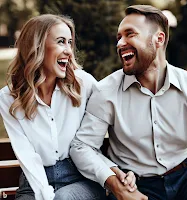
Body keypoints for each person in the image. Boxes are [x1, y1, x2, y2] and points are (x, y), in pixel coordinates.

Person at [70, 4, 187, 200]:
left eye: (130, 34)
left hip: (186, 181)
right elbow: (82, 146)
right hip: (134, 185)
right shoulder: (106, 91)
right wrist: (114, 184)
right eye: (118, 37)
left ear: (159, 39)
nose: (120, 43)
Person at [0, 14, 112, 200]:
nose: (69, 51)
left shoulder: (83, 83)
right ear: (36, 47)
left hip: (81, 178)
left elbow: (112, 110)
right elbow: (26, 155)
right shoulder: (8, 97)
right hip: (34, 180)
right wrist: (45, 195)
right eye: (61, 42)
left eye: (70, 42)